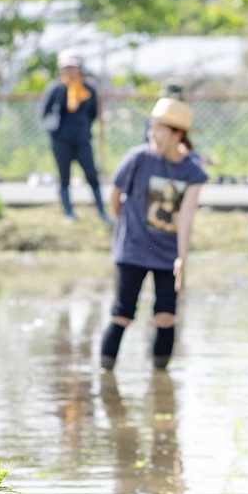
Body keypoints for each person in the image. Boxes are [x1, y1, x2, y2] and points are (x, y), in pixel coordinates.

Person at [102, 92, 206, 371]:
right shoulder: (137, 158)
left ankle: (162, 383)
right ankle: (105, 373)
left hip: (166, 253)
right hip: (132, 249)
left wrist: (182, 259)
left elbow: (185, 218)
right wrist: (124, 225)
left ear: (177, 134)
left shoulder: (193, 172)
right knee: (122, 314)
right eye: (152, 127)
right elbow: (114, 195)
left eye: (159, 129)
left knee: (165, 316)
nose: (153, 134)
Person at [40, 50, 106, 221]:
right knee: (64, 177)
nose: (69, 71)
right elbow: (44, 113)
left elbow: (92, 113)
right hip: (61, 141)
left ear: (79, 68)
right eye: (65, 68)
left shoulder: (88, 89)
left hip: (83, 140)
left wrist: (83, 128)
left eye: (72, 67)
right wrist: (55, 132)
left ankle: (101, 211)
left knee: (92, 175)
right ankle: (69, 213)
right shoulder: (56, 89)